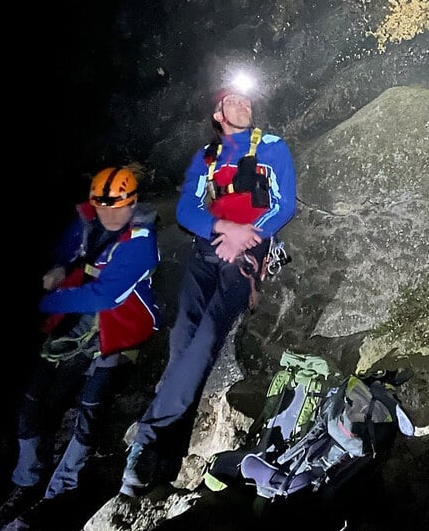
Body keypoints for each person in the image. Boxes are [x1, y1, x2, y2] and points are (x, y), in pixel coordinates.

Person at [120, 81, 297, 496]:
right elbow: (186, 210)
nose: (244, 103)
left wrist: (247, 234)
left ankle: (146, 442)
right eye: (233, 100)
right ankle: (164, 463)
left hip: (244, 256)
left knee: (209, 336)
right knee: (182, 344)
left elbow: (284, 203)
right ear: (218, 114)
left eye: (247, 98)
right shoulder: (208, 157)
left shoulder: (272, 146)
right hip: (206, 253)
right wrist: (222, 227)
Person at [0, 166, 160, 530]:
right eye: (102, 206)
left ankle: (58, 493)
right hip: (74, 329)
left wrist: (47, 301)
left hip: (114, 334)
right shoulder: (87, 221)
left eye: (117, 206)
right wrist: (57, 267)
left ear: (132, 203)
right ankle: (26, 482)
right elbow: (66, 250)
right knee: (33, 403)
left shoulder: (141, 242)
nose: (109, 214)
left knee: (89, 414)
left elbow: (104, 294)